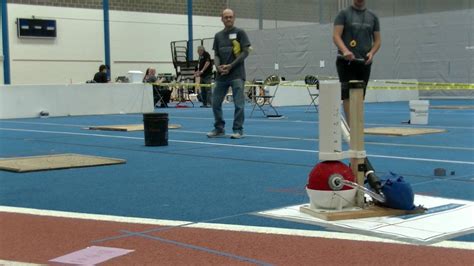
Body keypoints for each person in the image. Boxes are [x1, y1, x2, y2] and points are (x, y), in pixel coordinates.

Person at [333, 0, 381, 125]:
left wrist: (372, 53)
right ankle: (352, 126)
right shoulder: (343, 14)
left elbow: (377, 41)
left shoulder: (373, 17)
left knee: (360, 95)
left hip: (364, 62)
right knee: (348, 95)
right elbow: (336, 36)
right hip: (346, 62)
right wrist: (345, 51)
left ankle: (356, 125)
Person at [207, 8, 251, 139]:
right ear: (221, 19)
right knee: (215, 103)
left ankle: (238, 130)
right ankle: (219, 128)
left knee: (238, 104)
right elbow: (216, 55)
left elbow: (245, 52)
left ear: (234, 18)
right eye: (226, 17)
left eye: (230, 17)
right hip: (221, 76)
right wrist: (218, 66)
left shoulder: (240, 32)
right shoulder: (218, 36)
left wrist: (231, 66)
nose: (228, 19)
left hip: (237, 74)